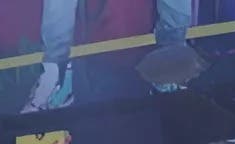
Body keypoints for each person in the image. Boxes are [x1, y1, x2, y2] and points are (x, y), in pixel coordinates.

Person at [26, 0, 203, 110]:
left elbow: (59, 11)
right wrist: (171, 47)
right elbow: (175, 10)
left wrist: (57, 61)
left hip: (93, 58)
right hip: (141, 56)